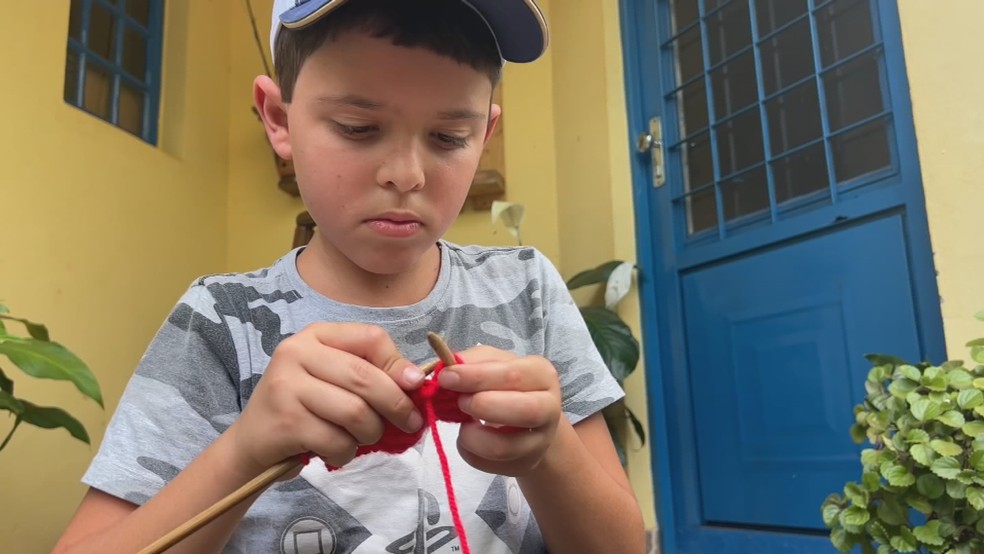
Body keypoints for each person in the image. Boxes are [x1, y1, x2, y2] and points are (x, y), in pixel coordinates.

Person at [54, 0, 645, 552]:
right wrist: (242, 452)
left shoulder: (526, 290)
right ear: (279, 120)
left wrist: (551, 456)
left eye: (448, 137)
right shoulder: (221, 321)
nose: (406, 174)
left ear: (484, 137)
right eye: (358, 128)